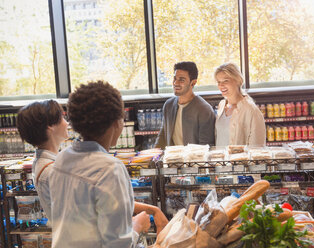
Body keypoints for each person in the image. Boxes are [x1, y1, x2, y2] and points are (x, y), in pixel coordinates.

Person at [49, 81, 167, 247]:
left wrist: (151, 209)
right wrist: (137, 226)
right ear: (117, 123)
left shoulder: (62, 159)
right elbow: (118, 244)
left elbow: (88, 209)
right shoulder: (110, 169)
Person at [16, 100, 69, 221]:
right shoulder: (51, 171)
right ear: (50, 127)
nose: (67, 123)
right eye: (62, 118)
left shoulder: (46, 163)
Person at [155, 61, 215, 149]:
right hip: (172, 161)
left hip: (194, 161)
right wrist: (152, 157)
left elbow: (206, 146)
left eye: (181, 80)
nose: (176, 83)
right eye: (175, 78)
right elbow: (163, 135)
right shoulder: (168, 105)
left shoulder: (204, 110)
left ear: (193, 83)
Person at [214, 63, 266, 146]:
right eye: (218, 82)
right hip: (220, 158)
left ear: (238, 80)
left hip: (238, 159)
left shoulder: (251, 110)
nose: (221, 85)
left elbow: (257, 148)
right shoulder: (222, 105)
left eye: (225, 81)